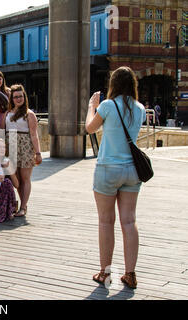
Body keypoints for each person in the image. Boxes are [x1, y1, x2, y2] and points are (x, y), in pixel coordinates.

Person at [85, 66, 146, 290]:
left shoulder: (108, 105)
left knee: (105, 221)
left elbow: (90, 128)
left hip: (108, 169)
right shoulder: (139, 108)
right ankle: (130, 274)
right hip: (132, 171)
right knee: (129, 221)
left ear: (114, 84)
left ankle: (105, 272)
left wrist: (91, 106)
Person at [3, 84, 42, 217]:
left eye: (20, 96)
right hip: (11, 145)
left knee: (25, 178)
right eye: (15, 97)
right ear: (12, 99)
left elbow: (34, 134)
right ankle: (22, 204)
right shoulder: (8, 113)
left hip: (25, 146)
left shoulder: (29, 114)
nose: (18, 99)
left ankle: (23, 206)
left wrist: (38, 153)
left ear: (24, 97)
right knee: (16, 178)